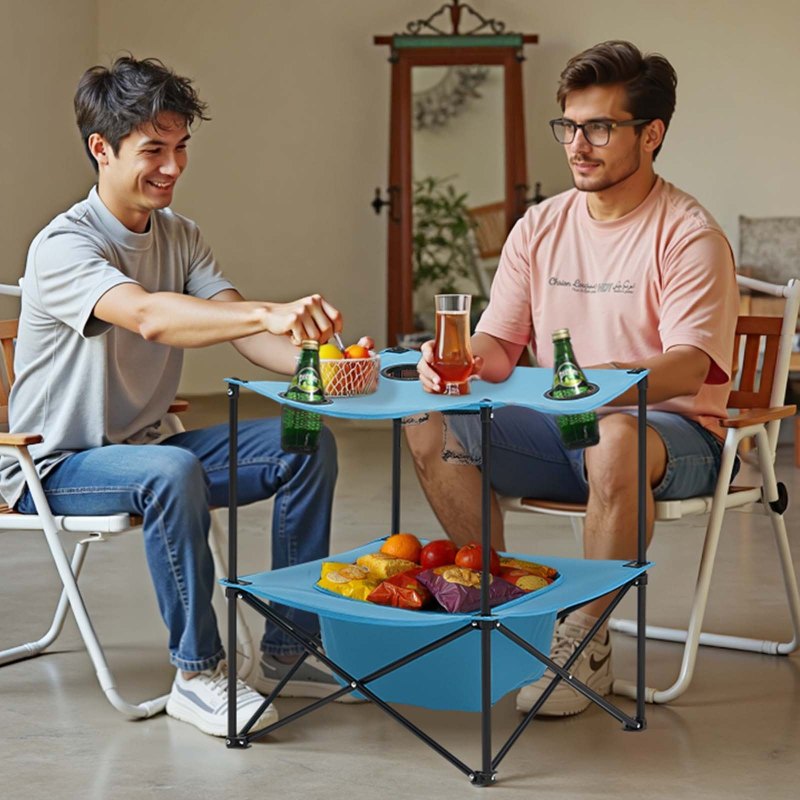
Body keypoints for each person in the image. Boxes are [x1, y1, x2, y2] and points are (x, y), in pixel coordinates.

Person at [0, 56, 352, 737]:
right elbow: (150, 317)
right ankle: (197, 673)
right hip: (54, 467)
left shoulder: (180, 235)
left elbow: (247, 333)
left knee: (305, 441)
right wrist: (265, 311)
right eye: (152, 150)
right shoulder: (64, 245)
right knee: (172, 469)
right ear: (102, 149)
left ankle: (288, 648)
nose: (172, 166)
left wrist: (334, 369)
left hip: (144, 448)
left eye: (181, 146)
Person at [406, 41, 739, 717]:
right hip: (566, 427)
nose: (578, 146)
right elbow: (501, 345)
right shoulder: (540, 226)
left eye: (600, 128)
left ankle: (585, 640)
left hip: (673, 436)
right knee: (425, 417)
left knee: (615, 436)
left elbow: (689, 365)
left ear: (651, 135)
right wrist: (457, 357)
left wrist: (603, 381)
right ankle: (501, 609)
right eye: (569, 126)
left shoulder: (688, 234)